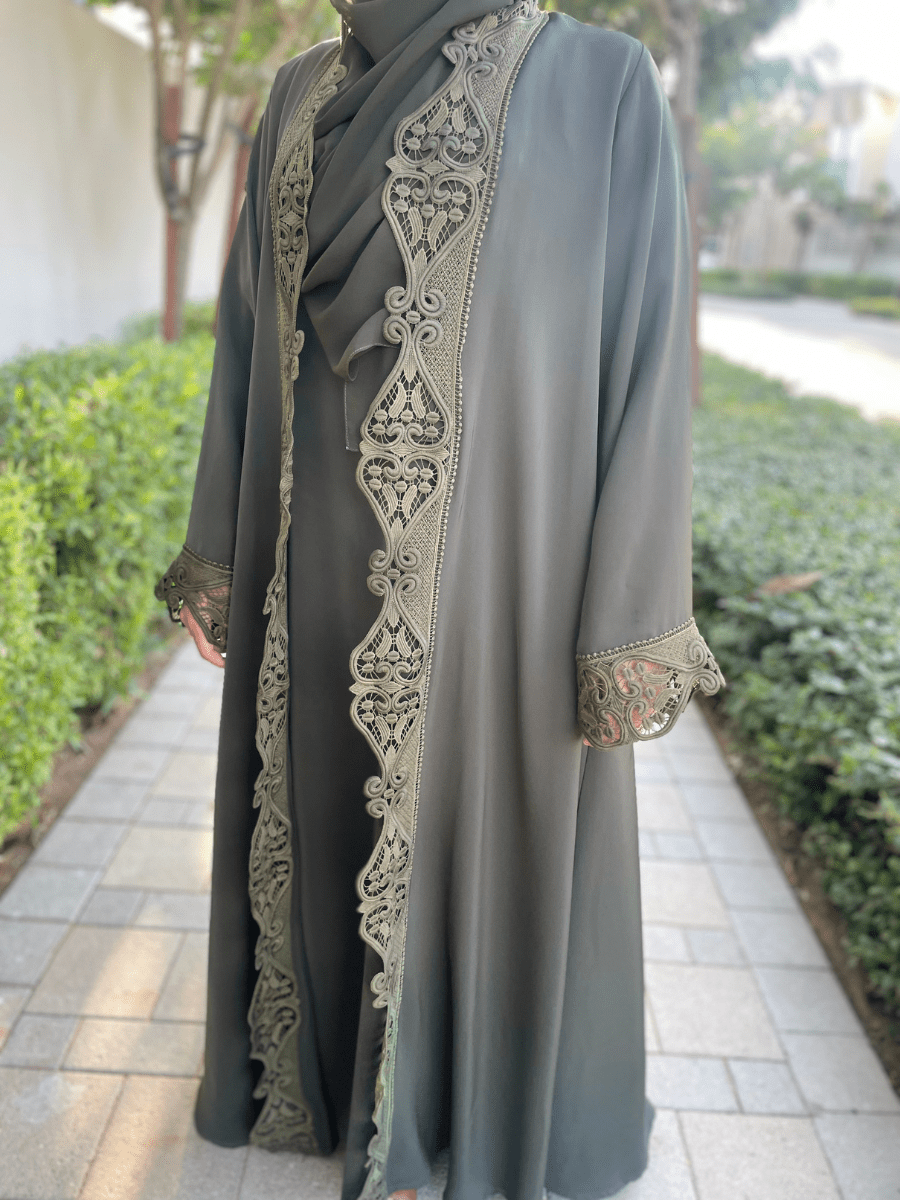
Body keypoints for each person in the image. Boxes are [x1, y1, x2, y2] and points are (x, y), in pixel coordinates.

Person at [155, 2, 725, 1198]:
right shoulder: (298, 93)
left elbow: (645, 356)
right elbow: (245, 339)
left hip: (502, 583)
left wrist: (626, 619)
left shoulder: (601, 84)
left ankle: (443, 1111)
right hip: (309, 564)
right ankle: (336, 1084)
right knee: (321, 808)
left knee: (476, 821)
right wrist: (220, 548)